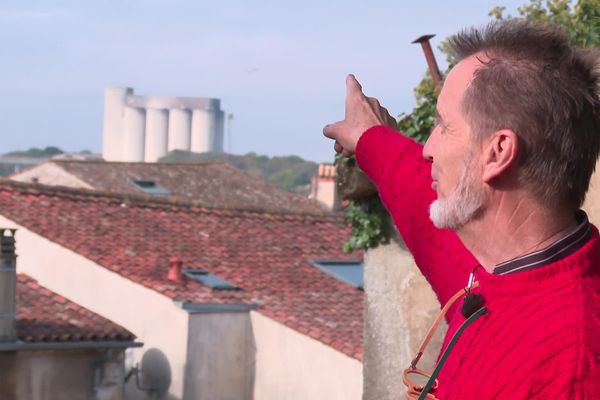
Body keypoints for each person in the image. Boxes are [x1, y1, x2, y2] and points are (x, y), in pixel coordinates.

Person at [324, 20, 600, 399]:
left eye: (444, 125)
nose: (427, 146)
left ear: (497, 152)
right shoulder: (498, 273)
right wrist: (372, 138)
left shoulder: (569, 369)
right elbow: (420, 199)